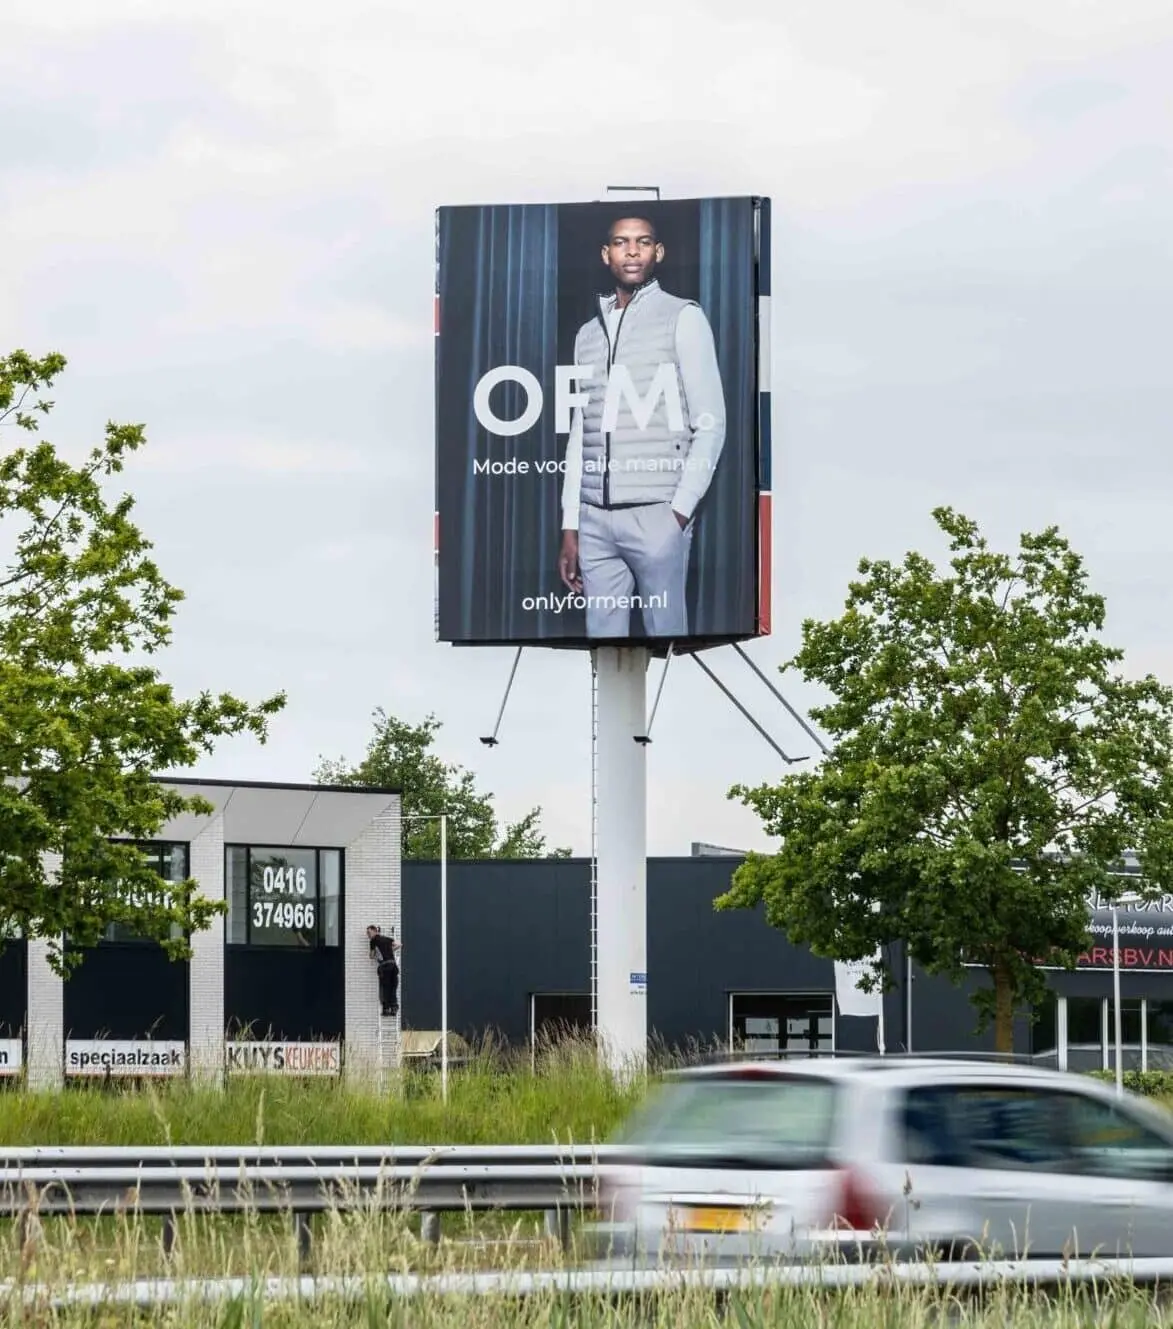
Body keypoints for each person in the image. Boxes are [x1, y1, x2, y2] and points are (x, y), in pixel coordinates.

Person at [558, 213, 727, 639]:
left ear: (658, 252)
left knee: (668, 641)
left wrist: (679, 512)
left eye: (643, 241)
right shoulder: (586, 335)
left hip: (658, 514)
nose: (632, 251)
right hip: (595, 520)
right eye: (621, 242)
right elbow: (582, 432)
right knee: (605, 649)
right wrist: (571, 524)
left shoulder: (683, 317)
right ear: (605, 253)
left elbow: (710, 423)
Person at [366, 924, 401, 1017]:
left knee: (384, 988)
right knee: (393, 987)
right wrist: (390, 950)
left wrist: (373, 954)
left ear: (374, 931)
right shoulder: (387, 939)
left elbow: (372, 956)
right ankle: (394, 1007)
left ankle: (386, 1009)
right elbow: (399, 944)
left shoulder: (373, 940)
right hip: (393, 966)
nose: (368, 935)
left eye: (369, 932)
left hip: (385, 967)